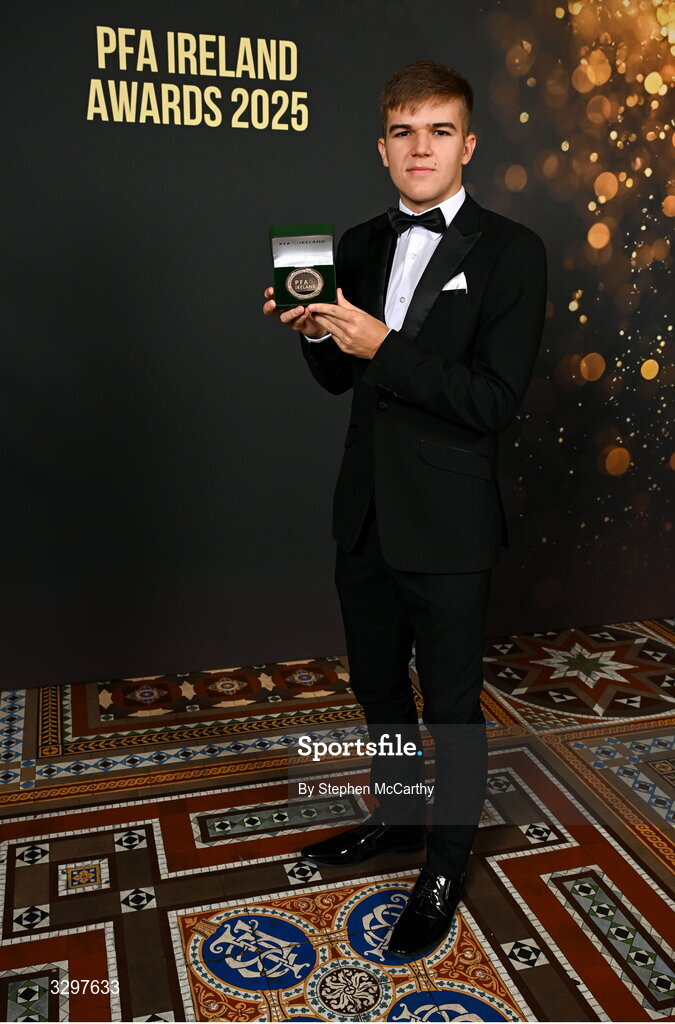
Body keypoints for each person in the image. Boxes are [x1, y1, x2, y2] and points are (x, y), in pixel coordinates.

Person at [262, 60, 547, 959]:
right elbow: (341, 377)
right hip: (366, 512)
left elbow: (491, 401)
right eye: (401, 131)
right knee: (379, 688)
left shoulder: (511, 251)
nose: (417, 147)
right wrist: (317, 337)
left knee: (451, 707)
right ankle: (398, 818)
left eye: (436, 130)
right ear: (381, 147)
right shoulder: (353, 241)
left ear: (467, 145)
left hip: (451, 524)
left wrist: (382, 344)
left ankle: (443, 863)